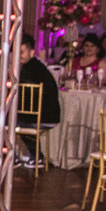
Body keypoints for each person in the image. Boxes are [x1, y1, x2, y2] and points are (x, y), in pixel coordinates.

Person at [17, 34, 61, 169]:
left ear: (31, 52)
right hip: (45, 114)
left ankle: (17, 156)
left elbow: (26, 95)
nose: (19, 55)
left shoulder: (30, 70)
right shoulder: (38, 67)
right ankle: (33, 156)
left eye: (22, 52)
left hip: (40, 116)